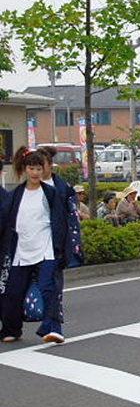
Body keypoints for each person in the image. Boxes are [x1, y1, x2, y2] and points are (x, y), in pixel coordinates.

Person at [0, 147, 69, 344]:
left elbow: (61, 222)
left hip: (46, 248)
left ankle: (53, 328)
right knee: (13, 291)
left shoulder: (51, 194)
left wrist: (61, 250)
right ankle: (11, 329)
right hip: (21, 250)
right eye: (31, 168)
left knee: (48, 288)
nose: (35, 172)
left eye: (39, 169)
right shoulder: (14, 195)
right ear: (25, 169)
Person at [37, 145, 83, 268]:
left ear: (50, 165)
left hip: (58, 240)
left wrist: (74, 242)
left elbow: (72, 216)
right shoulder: (29, 187)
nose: (39, 168)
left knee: (53, 280)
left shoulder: (63, 188)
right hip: (36, 240)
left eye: (42, 164)